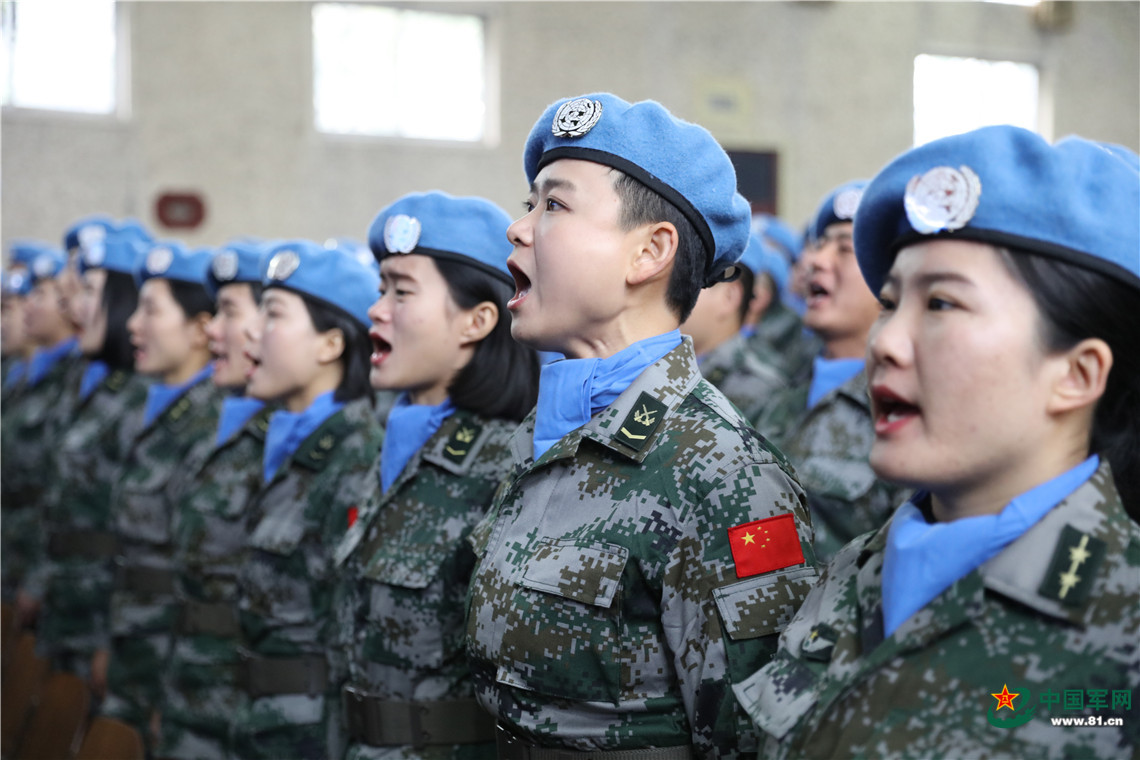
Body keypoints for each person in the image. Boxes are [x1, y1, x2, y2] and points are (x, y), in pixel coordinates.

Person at [735, 126, 1140, 759]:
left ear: (1076, 374)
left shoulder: (1123, 628)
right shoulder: (851, 573)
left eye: (943, 304)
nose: (886, 343)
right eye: (890, 303)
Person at [465, 93, 817, 758]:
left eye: (553, 205)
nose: (518, 229)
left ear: (650, 252)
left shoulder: (723, 472)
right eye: (528, 204)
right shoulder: (543, 437)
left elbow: (756, 738)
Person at [333, 191, 539, 758]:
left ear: (477, 320)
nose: (377, 310)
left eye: (402, 292)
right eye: (381, 289)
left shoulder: (509, 463)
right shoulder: (383, 446)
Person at [230, 240, 384, 760]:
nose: (252, 331)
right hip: (256, 719)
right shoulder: (276, 439)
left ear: (330, 344)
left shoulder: (357, 456)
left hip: (314, 735)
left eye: (273, 314)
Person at [98, 241, 223, 744]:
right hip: (132, 639)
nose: (133, 324)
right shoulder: (145, 406)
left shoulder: (216, 423)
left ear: (199, 329)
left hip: (177, 665)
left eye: (152, 310)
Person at [18, 219, 152, 684]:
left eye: (87, 292)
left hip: (101, 612)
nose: (71, 306)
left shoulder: (139, 395)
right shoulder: (80, 375)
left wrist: (109, 638)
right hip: (63, 594)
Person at [751, 180, 908, 562]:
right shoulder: (774, 390)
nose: (816, 261)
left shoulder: (906, 410)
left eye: (844, 249)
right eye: (818, 245)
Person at [158, 240, 272, 759]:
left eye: (230, 311)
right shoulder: (214, 419)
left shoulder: (293, 443)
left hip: (244, 704)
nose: (212, 330)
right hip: (190, 681)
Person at [1, 242, 77, 607]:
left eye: (40, 295)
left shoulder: (71, 378)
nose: (29, 306)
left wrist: (38, 577)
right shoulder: (23, 375)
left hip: (43, 564)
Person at [681, 227, 787, 421]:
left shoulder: (760, 391)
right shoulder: (662, 364)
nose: (671, 290)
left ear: (729, 297)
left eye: (687, 279)